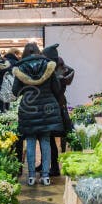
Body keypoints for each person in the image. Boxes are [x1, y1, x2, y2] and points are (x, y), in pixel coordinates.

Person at [12, 42, 64, 186]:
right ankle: (46, 176)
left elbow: (15, 91)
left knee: (30, 141)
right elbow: (56, 87)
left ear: (24, 53)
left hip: (28, 110)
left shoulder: (20, 69)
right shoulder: (48, 66)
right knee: (45, 141)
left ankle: (31, 177)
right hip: (48, 108)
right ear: (38, 51)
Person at [42, 43, 75, 177]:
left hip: (52, 108)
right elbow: (71, 70)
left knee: (50, 139)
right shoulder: (63, 70)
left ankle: (55, 167)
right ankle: (62, 165)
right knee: (64, 136)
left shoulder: (53, 72)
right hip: (60, 106)